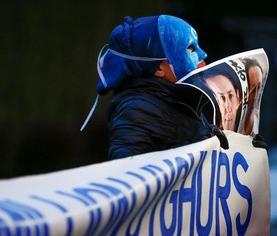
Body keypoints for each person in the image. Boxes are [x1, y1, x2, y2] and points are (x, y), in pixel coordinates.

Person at [81, 15, 228, 160]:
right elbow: (128, 173)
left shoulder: (183, 101)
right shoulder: (136, 111)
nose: (203, 54)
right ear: (159, 68)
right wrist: (197, 147)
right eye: (190, 49)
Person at [242, 57, 264, 135]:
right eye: (252, 89)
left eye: (259, 87)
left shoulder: (258, 120)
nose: (255, 97)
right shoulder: (232, 120)